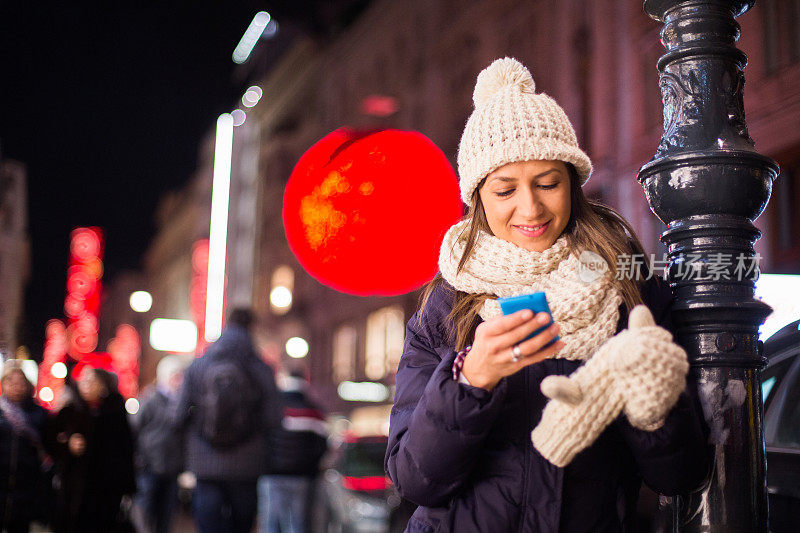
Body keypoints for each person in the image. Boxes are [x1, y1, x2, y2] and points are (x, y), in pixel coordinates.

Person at [385, 58, 710, 532]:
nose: (530, 207)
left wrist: (656, 408)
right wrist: (470, 381)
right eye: (505, 190)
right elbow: (415, 481)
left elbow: (678, 477)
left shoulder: (627, 289)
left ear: (572, 184)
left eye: (547, 183)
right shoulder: (448, 304)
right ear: (477, 198)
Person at [173, 308, 281, 533]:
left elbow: (178, 415)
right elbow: (274, 419)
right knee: (241, 523)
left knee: (208, 522)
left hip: (205, 461)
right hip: (247, 463)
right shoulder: (262, 369)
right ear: (251, 328)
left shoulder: (198, 366)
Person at [49, 366, 136, 533]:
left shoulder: (114, 412)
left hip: (106, 489)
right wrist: (68, 444)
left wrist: (125, 486)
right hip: (74, 488)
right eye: (84, 380)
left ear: (103, 386)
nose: (86, 384)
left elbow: (125, 450)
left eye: (92, 380)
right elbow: (51, 440)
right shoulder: (70, 409)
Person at [258, 364, 328, 533]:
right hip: (302, 477)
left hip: (272, 474)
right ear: (305, 380)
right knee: (298, 524)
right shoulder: (314, 410)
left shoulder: (271, 407)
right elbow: (322, 446)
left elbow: (261, 440)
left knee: (271, 523)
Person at [133, 354, 190, 533]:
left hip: (171, 469)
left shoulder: (182, 403)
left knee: (166, 515)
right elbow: (135, 428)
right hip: (149, 467)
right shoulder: (150, 400)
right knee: (145, 511)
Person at [0, 361, 49, 533]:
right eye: (10, 381)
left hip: (27, 486)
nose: (15, 386)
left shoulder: (39, 414)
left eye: (20, 381)